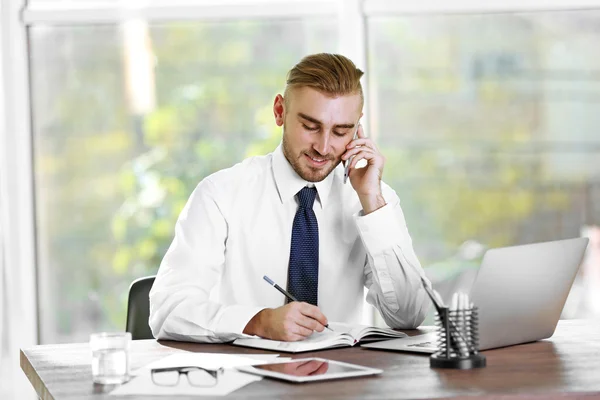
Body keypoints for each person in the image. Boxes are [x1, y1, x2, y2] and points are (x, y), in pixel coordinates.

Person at [149, 53, 430, 343]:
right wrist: (258, 322)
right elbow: (167, 311)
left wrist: (372, 202)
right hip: (246, 378)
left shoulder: (373, 199)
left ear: (357, 128)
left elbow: (409, 316)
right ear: (280, 111)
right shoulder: (220, 195)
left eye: (340, 131)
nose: (323, 147)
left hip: (341, 379)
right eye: (310, 126)